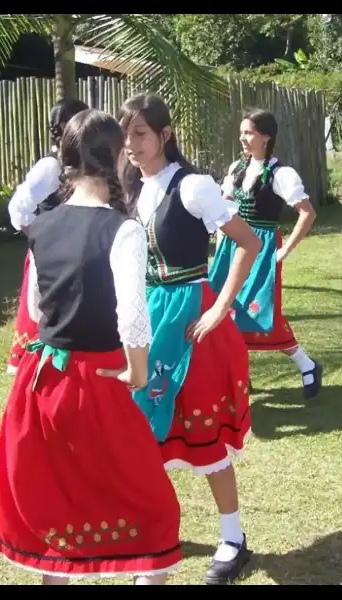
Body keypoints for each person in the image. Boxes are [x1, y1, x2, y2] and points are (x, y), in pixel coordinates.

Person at [0, 108, 182, 585]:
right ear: (117, 158)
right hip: (99, 379)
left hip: (43, 381)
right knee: (151, 508)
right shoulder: (123, 229)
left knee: (56, 502)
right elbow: (131, 313)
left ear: (67, 158)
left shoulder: (40, 226)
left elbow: (36, 302)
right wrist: (138, 370)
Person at [118, 93, 261, 585]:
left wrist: (221, 304)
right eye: (127, 135)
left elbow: (249, 241)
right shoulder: (133, 189)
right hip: (149, 317)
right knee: (144, 431)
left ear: (164, 134)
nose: (132, 144)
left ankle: (233, 537)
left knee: (204, 429)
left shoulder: (194, 186)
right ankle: (152, 537)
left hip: (190, 317)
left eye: (140, 133)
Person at [211, 109, 322, 399]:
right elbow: (225, 207)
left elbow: (307, 213)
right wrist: (221, 235)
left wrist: (284, 249)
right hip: (232, 245)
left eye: (249, 133)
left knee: (258, 313)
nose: (243, 139)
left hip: (260, 246)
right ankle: (240, 376)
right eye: (242, 133)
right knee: (225, 310)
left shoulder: (280, 173)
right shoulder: (237, 168)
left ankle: (306, 364)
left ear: (266, 137)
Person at [5, 99, 90, 375]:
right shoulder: (50, 167)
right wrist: (44, 238)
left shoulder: (86, 164)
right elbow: (18, 209)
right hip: (50, 258)